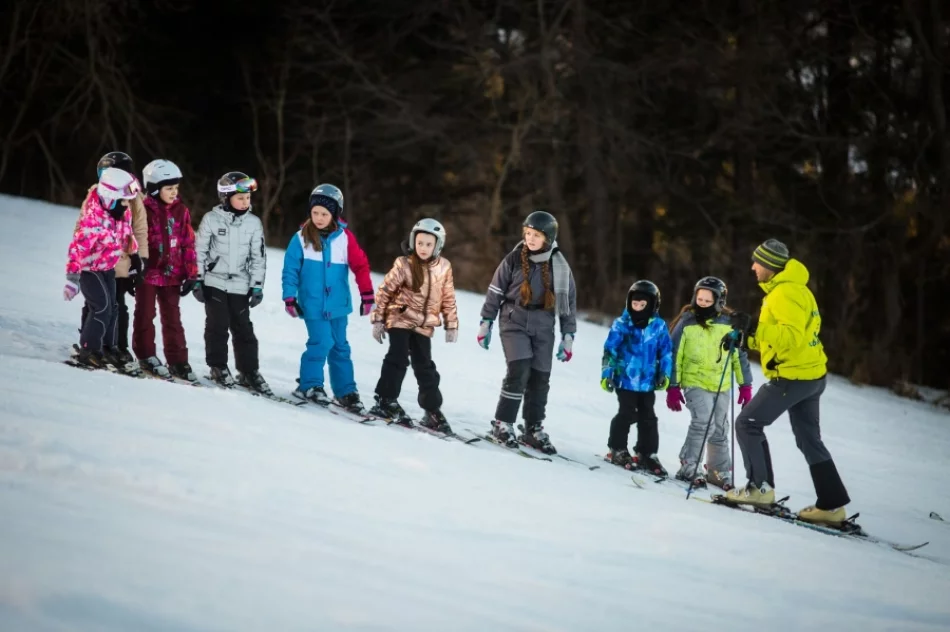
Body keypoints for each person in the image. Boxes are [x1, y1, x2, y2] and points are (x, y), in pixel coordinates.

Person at [726, 239, 851, 525]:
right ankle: (832, 506)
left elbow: (791, 337)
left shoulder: (784, 294)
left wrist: (756, 326)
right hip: (810, 375)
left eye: (757, 262)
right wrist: (747, 338)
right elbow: (785, 338)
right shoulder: (795, 289)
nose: (753, 267)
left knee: (748, 423)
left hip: (793, 377)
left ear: (770, 265)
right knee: (809, 439)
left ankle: (760, 489)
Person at [477, 210, 577, 454]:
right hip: (514, 320)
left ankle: (533, 428)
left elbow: (568, 305)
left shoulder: (560, 267)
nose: (530, 239)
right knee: (519, 370)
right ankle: (502, 423)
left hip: (544, 326)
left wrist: (568, 336)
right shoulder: (513, 259)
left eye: (537, 235)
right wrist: (486, 320)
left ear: (549, 238)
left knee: (540, 378)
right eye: (528, 233)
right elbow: (496, 291)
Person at [282, 183, 374, 413]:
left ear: (335, 214)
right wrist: (289, 297)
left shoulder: (345, 239)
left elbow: (361, 266)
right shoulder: (301, 238)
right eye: (315, 213)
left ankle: (345, 392)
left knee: (340, 347)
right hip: (312, 304)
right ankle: (309, 385)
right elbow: (290, 270)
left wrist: (367, 295)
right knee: (321, 342)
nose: (319, 218)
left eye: (324, 214)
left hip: (338, 306)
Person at [368, 218, 459, 431]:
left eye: (429, 244)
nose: (424, 248)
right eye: (420, 243)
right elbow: (385, 292)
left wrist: (451, 324)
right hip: (400, 318)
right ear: (413, 242)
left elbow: (448, 298)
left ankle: (432, 410)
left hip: (424, 326)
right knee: (398, 358)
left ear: (438, 246)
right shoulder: (404, 264)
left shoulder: (444, 268)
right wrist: (379, 319)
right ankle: (386, 400)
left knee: (425, 366)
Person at [666, 276, 753, 490]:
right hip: (694, 381)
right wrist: (673, 386)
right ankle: (689, 466)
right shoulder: (687, 321)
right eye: (700, 299)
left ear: (719, 301)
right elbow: (674, 354)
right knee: (703, 422)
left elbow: (738, 356)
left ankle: (717, 470)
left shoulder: (729, 324)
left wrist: (745, 385)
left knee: (720, 428)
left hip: (720, 384)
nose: (702, 303)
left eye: (707, 300)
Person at [193, 171, 269, 392]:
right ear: (226, 198)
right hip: (214, 281)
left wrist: (257, 286)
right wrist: (197, 280)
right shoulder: (211, 219)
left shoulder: (253, 224)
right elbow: (199, 251)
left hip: (240, 284)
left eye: (248, 198)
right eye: (240, 198)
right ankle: (218, 366)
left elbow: (259, 256)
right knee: (218, 324)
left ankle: (249, 371)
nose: (246, 202)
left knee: (243, 328)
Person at [77, 151, 149, 371]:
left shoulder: (133, 197)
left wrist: (140, 260)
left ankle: (114, 345)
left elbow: (138, 228)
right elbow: (83, 226)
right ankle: (91, 343)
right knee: (99, 304)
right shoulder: (96, 194)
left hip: (123, 260)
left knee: (117, 306)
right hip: (99, 259)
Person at [63, 167, 140, 367]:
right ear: (110, 197)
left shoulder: (122, 214)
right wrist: (72, 280)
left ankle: (108, 348)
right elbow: (76, 249)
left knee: (113, 307)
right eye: (123, 201)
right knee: (102, 307)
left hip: (108, 268)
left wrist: (134, 257)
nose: (127, 205)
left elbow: (127, 236)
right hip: (90, 270)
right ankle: (89, 349)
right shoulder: (93, 220)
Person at [132, 159, 199, 382]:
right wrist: (135, 266)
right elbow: (134, 239)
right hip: (148, 273)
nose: (174, 192)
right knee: (145, 315)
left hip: (172, 274)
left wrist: (191, 274)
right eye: (169, 188)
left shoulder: (181, 211)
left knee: (173, 320)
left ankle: (178, 361)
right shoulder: (142, 209)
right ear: (154, 188)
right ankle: (146, 355)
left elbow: (188, 243)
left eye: (176, 188)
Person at [600, 280, 673, 476]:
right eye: (635, 304)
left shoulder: (658, 326)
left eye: (643, 305)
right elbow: (610, 350)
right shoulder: (622, 324)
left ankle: (647, 452)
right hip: (625, 380)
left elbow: (665, 352)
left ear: (652, 305)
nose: (638, 308)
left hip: (648, 381)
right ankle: (617, 448)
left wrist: (664, 373)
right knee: (626, 412)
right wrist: (607, 373)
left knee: (648, 417)